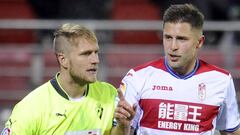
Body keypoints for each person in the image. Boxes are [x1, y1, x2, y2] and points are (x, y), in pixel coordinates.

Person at [115, 4, 240, 135]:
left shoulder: (221, 80)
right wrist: (122, 127)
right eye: (168, 37)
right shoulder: (138, 78)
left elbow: (231, 132)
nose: (173, 46)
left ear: (199, 42)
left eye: (181, 39)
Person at [1, 23, 133, 135]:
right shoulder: (31, 107)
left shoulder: (109, 94)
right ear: (63, 60)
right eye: (86, 54)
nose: (95, 60)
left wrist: (123, 126)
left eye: (96, 52)